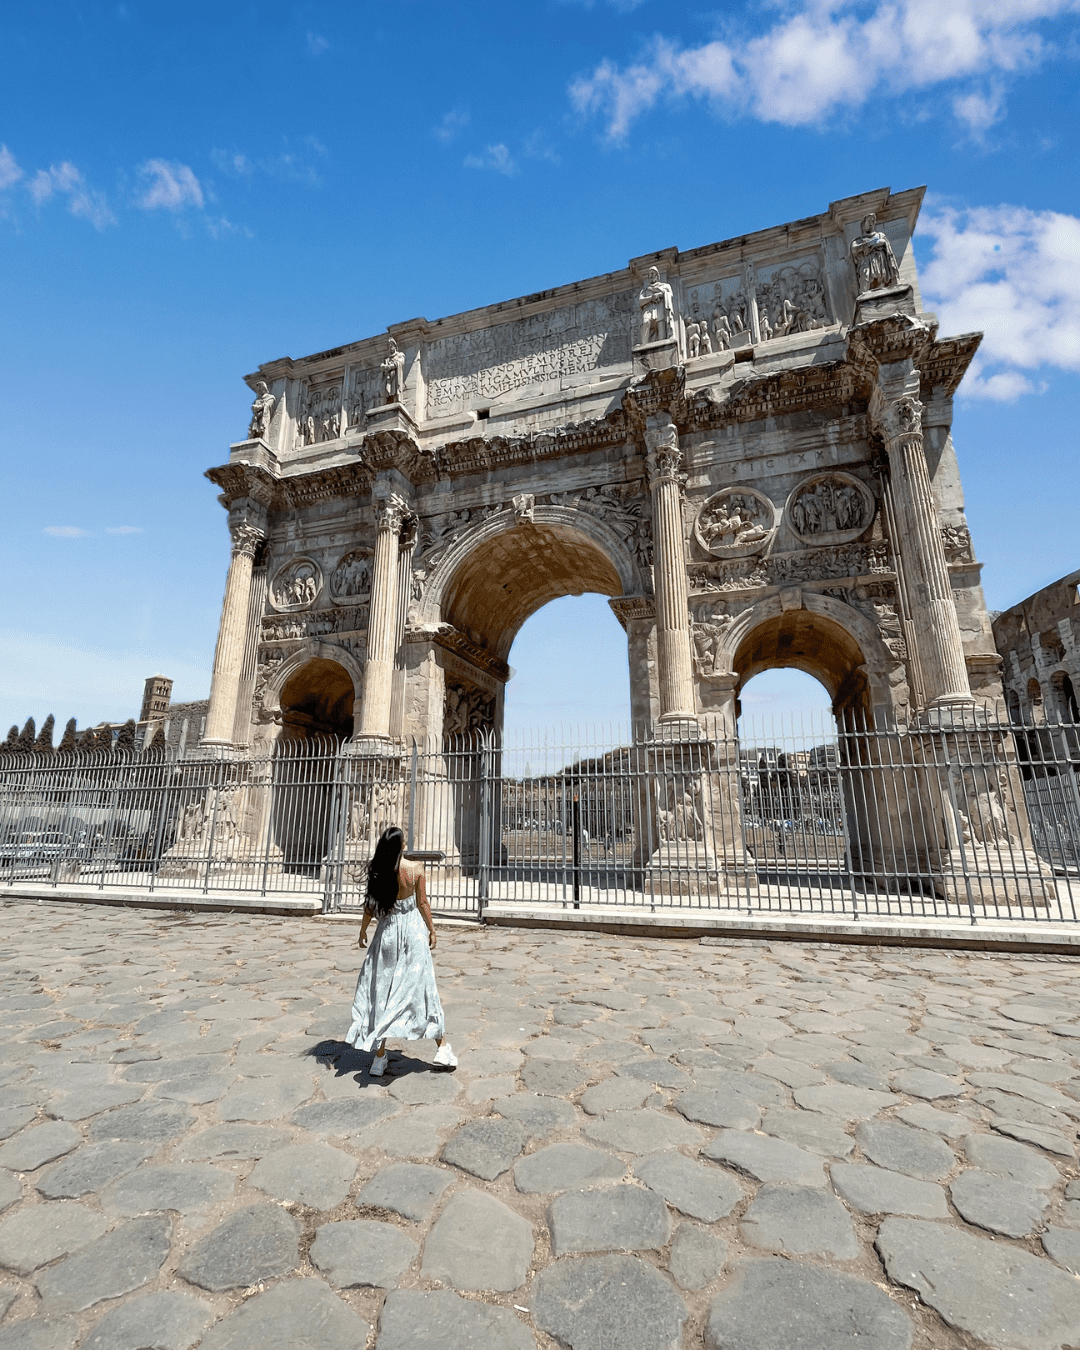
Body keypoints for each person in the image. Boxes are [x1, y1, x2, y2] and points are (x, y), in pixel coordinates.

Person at [346, 825, 456, 1075]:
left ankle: (379, 1057)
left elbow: (370, 905)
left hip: (386, 935)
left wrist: (363, 930)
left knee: (384, 992)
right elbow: (422, 902)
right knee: (423, 989)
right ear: (402, 846)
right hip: (412, 935)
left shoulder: (378, 871)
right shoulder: (415, 869)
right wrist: (432, 928)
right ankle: (442, 1047)